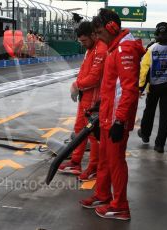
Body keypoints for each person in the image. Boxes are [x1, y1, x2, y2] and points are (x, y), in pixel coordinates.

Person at [80, 8, 145, 220]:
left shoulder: (124, 49)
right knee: (106, 160)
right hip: (108, 115)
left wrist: (119, 120)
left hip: (117, 118)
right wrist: (99, 107)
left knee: (116, 161)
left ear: (112, 28)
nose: (97, 37)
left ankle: (120, 206)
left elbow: (129, 90)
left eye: (99, 32)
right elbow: (110, 87)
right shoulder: (113, 48)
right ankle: (102, 195)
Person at [58, 21, 107, 181]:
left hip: (94, 98)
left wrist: (77, 85)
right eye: (81, 42)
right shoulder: (91, 49)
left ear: (93, 34)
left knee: (92, 134)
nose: (83, 44)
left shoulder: (101, 49)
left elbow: (95, 77)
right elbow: (85, 71)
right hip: (86, 96)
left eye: (85, 41)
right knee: (79, 130)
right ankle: (75, 162)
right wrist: (79, 87)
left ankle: (93, 167)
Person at [137, 22, 167, 153]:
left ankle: (145, 134)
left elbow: (144, 69)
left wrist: (141, 87)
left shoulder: (152, 49)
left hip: (154, 87)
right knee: (165, 116)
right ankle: (160, 145)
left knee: (149, 111)